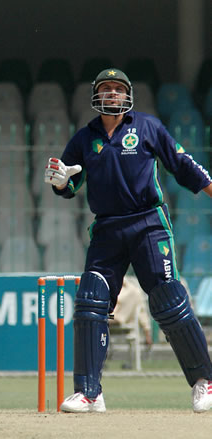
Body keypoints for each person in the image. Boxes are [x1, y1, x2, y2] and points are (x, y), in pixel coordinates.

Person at [44, 67, 212, 413]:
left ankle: (204, 382)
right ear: (96, 96)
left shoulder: (147, 127)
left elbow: (181, 163)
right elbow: (69, 184)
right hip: (107, 228)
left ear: (127, 96)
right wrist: (60, 181)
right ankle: (89, 393)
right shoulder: (84, 138)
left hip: (148, 223)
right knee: (91, 300)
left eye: (117, 89)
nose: (111, 94)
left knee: (168, 301)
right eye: (105, 89)